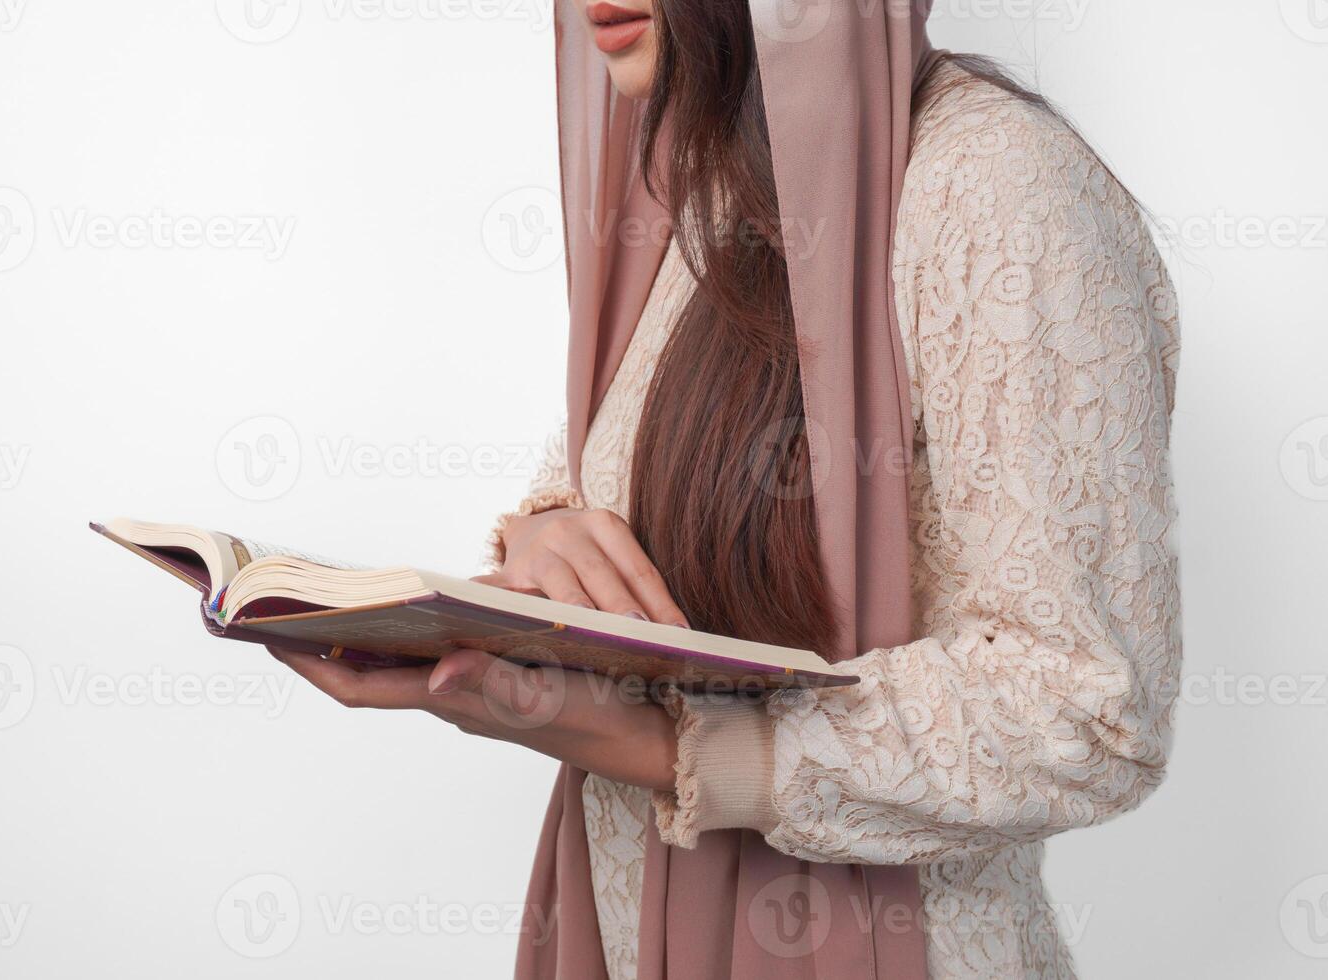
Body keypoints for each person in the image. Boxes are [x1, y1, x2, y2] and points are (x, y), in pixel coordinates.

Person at [273, 1, 1182, 976]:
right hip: (626, 922)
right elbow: (607, 465)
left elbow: (1088, 708)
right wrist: (546, 533)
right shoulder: (711, 185)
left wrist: (679, 743)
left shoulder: (997, 188)